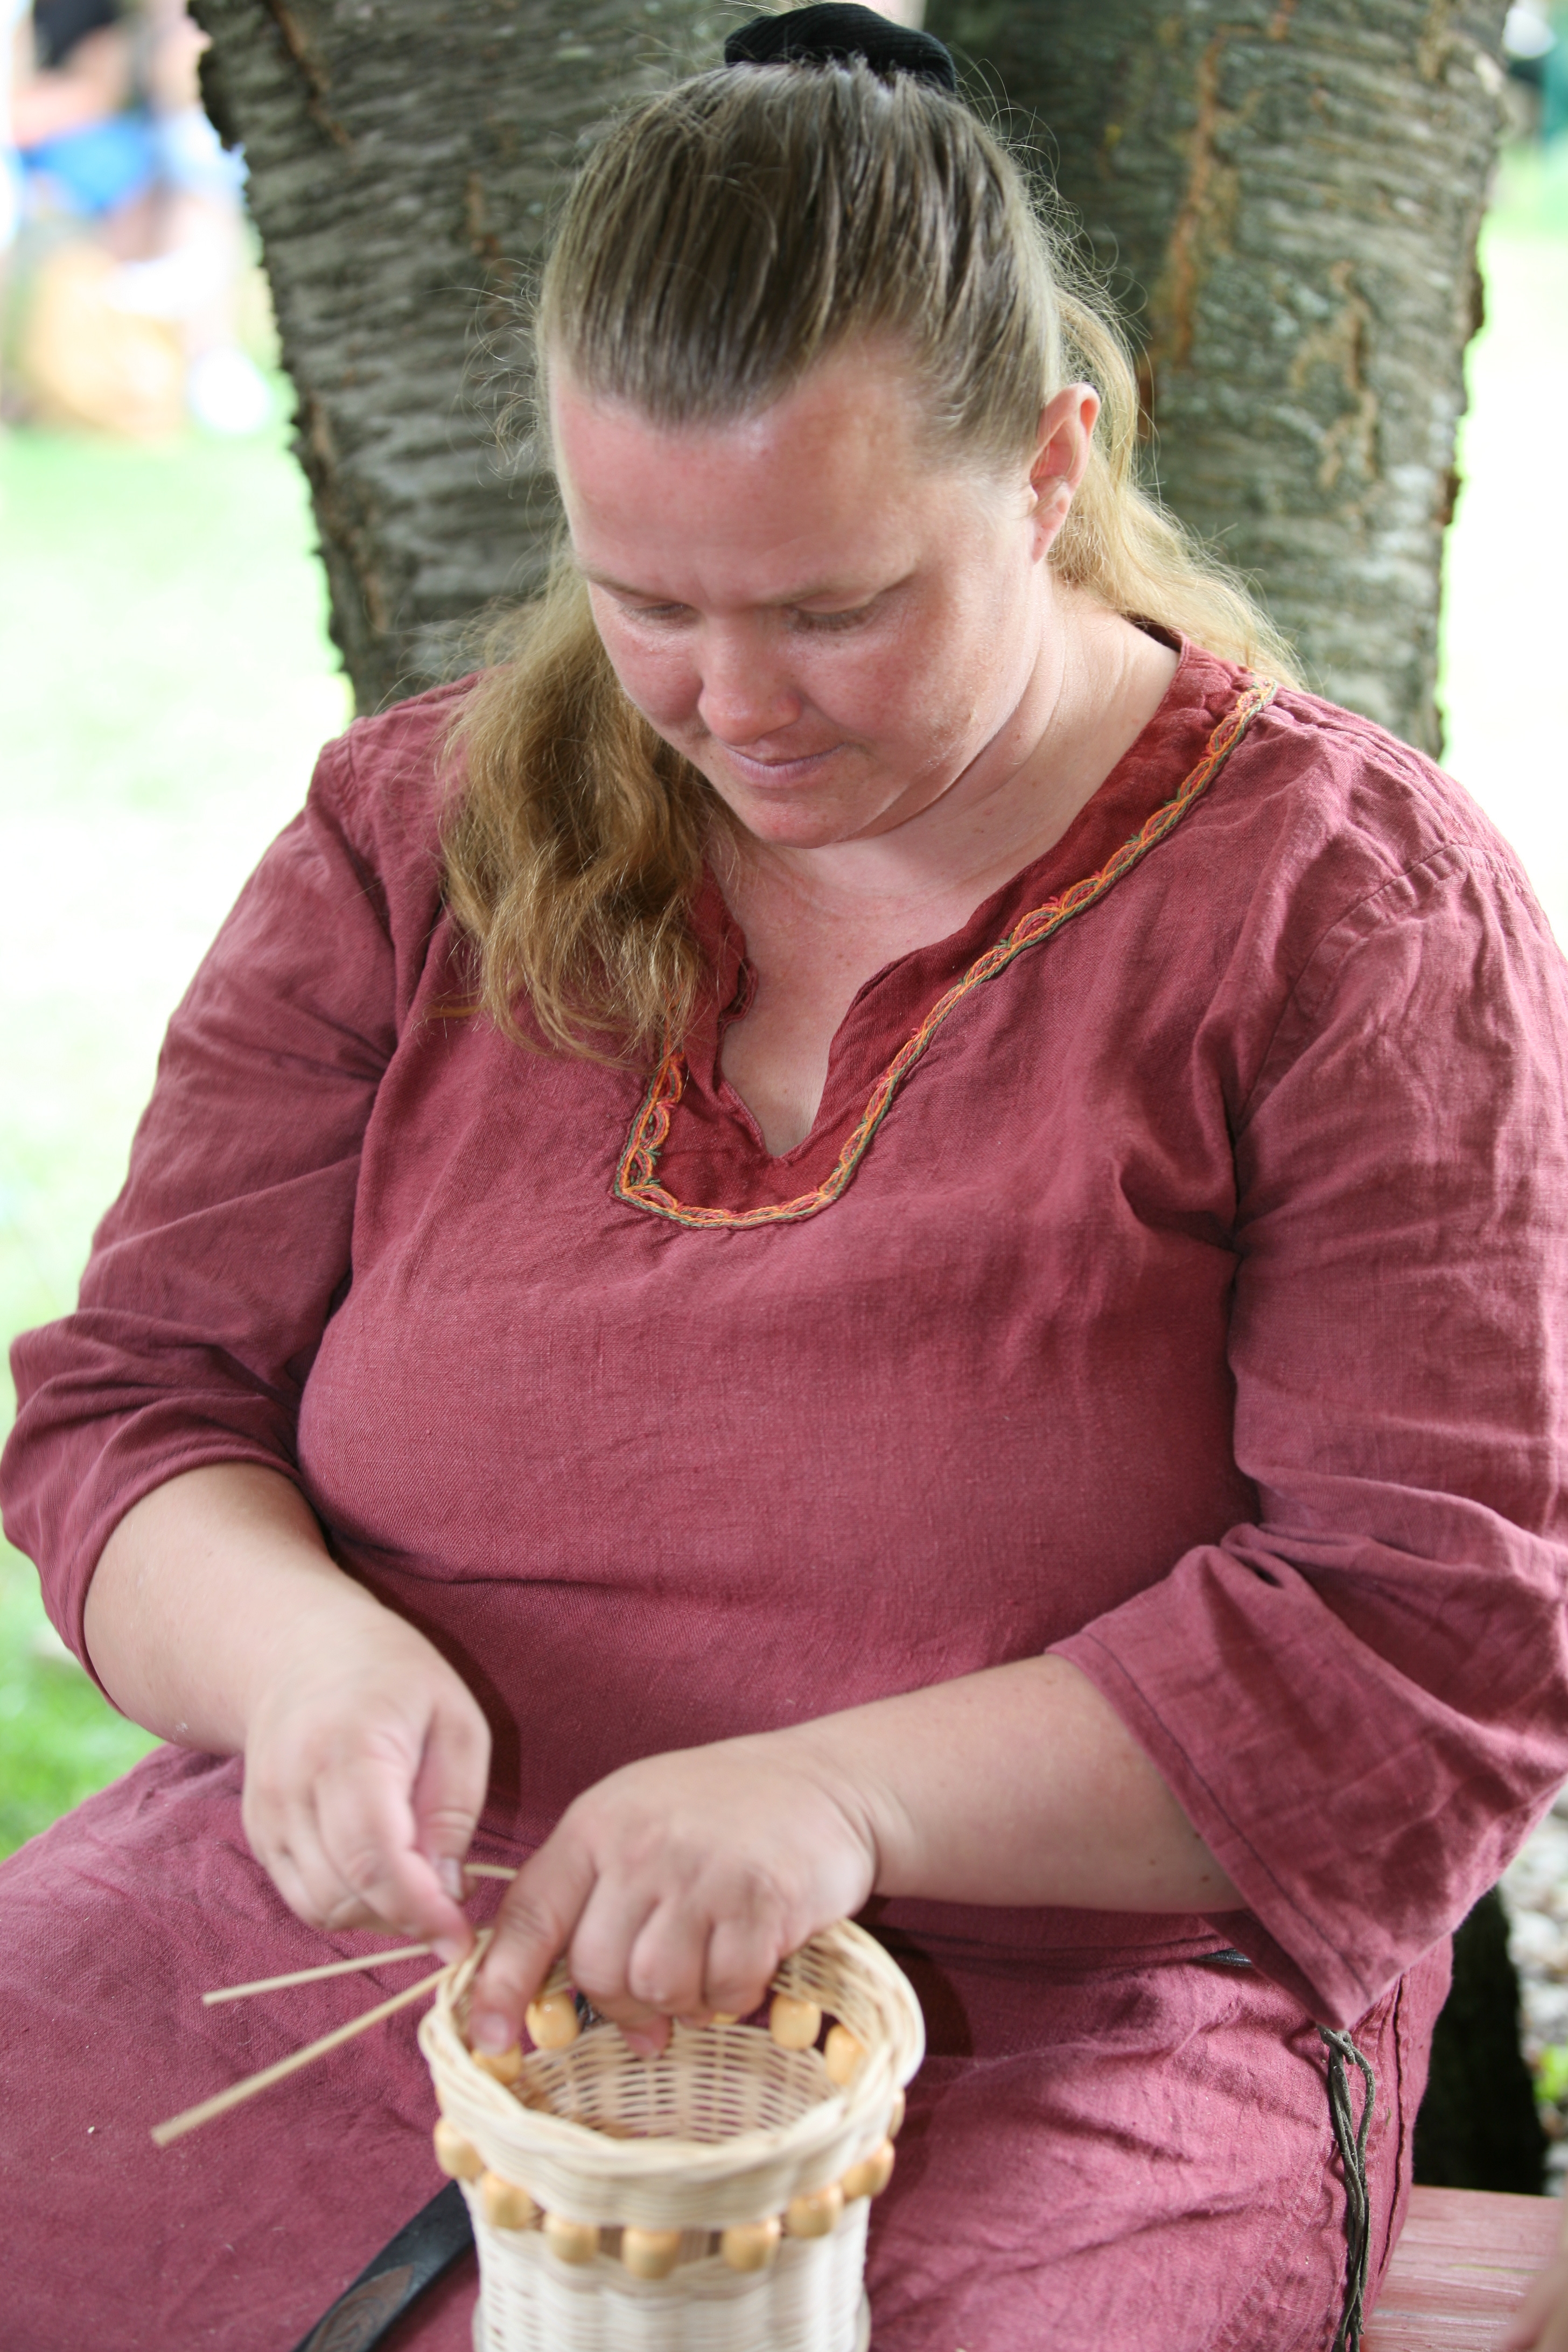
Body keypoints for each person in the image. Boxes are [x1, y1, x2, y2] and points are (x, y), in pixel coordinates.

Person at [3, 9, 1568, 2348]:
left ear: (1047, 469)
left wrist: (839, 1801)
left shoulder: (1342, 912)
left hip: (1046, 2005)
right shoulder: (410, 841)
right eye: (646, 602)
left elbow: (1429, 1635)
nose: (733, 706)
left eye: (834, 608)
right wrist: (293, 1657)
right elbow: (131, 1414)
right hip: (339, 1945)